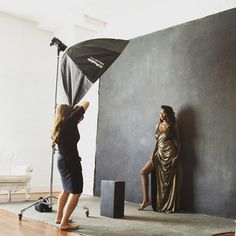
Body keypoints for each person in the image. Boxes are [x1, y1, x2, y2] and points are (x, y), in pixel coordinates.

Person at [51, 101, 89, 230]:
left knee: (66, 189)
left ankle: (59, 217)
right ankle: (64, 223)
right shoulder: (69, 121)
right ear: (68, 113)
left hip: (62, 161)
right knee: (76, 192)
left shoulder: (59, 124)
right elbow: (87, 103)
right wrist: (75, 108)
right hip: (71, 162)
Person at [139, 105, 181, 213]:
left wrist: (177, 156)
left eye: (163, 113)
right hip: (159, 154)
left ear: (168, 114)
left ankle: (166, 204)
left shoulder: (174, 125)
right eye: (160, 113)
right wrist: (152, 154)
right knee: (143, 172)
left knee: (167, 182)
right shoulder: (158, 125)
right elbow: (157, 142)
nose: (161, 115)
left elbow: (179, 142)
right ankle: (146, 200)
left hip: (170, 154)